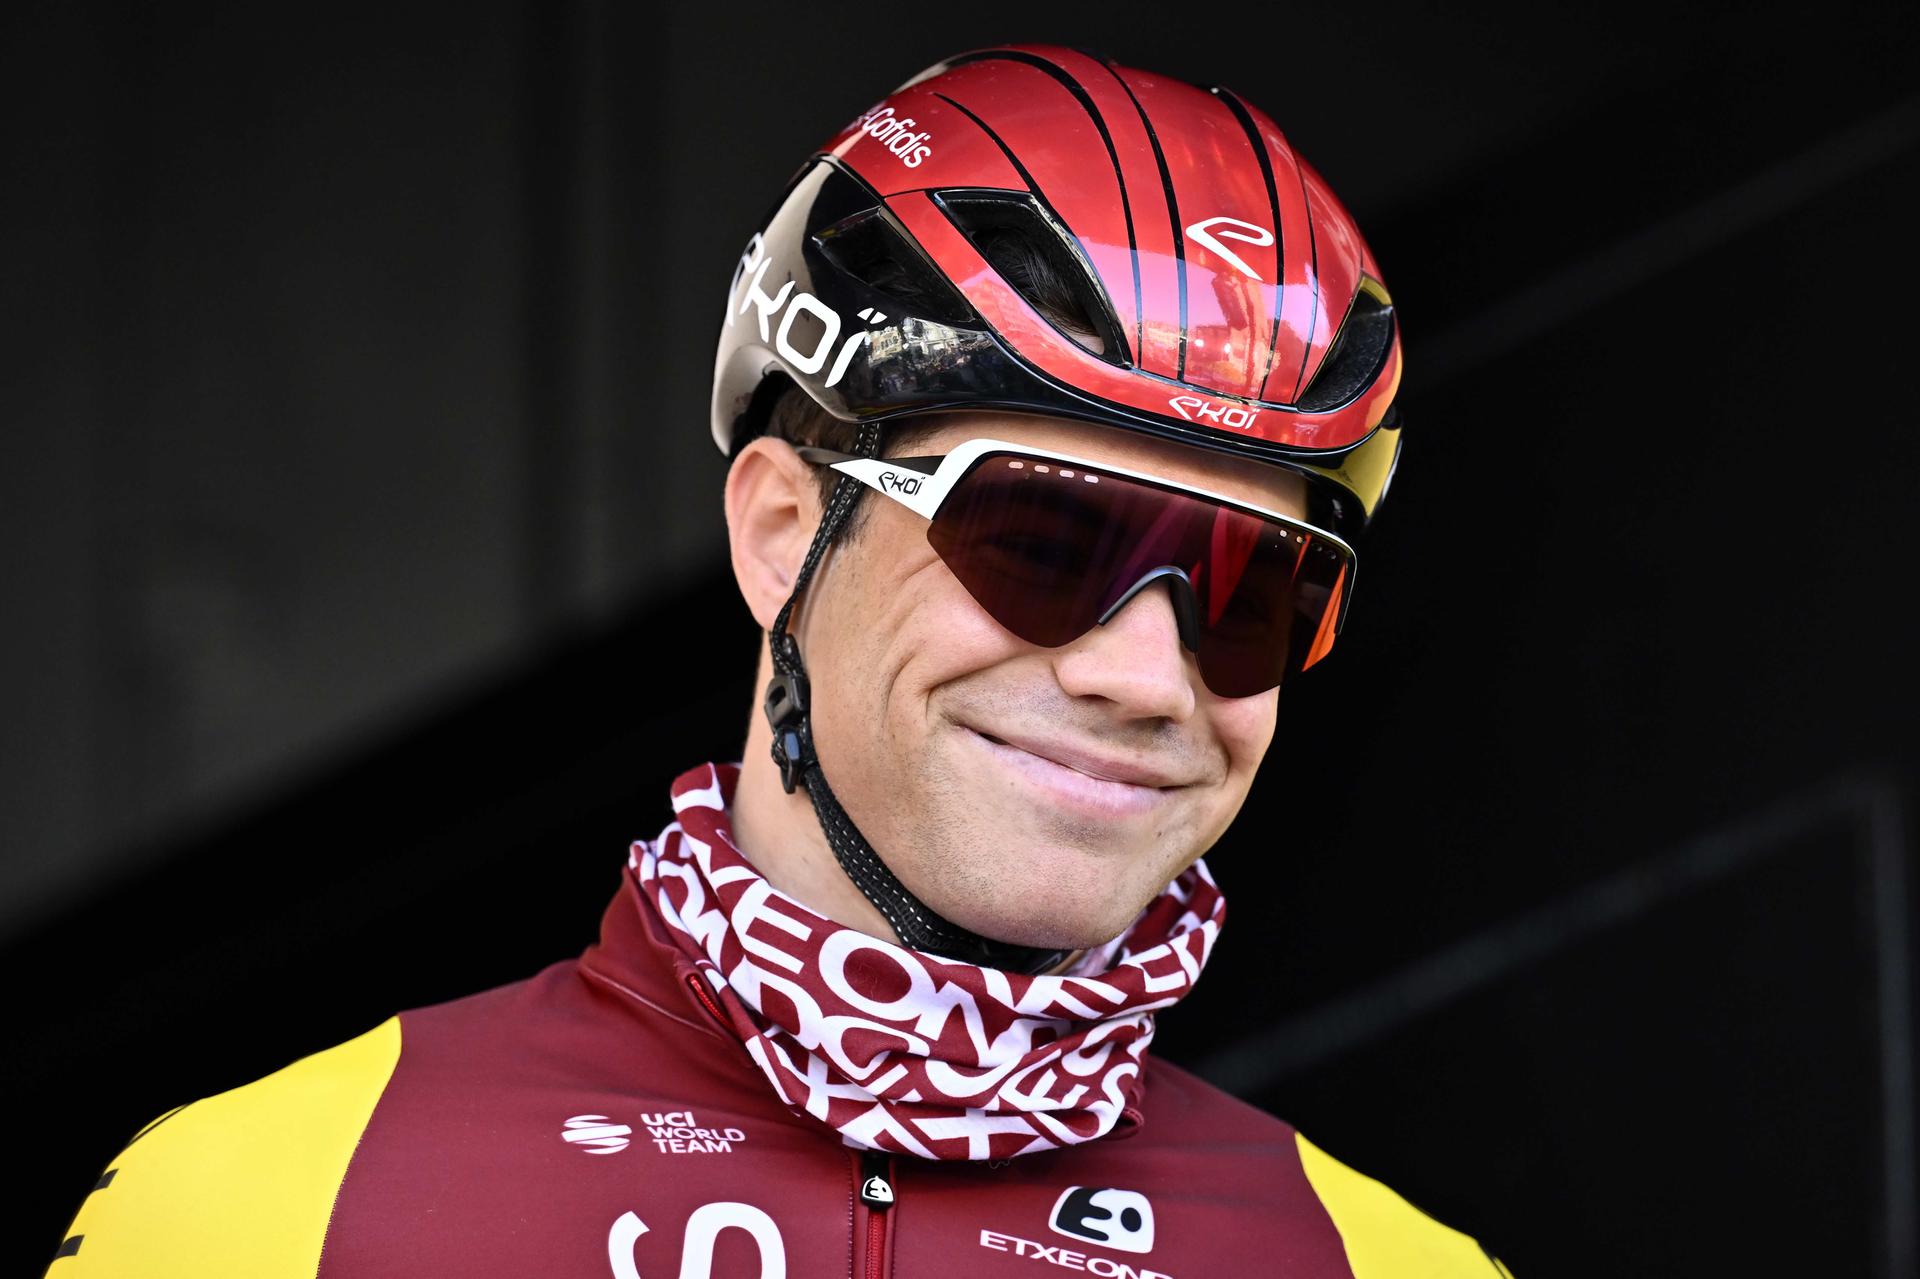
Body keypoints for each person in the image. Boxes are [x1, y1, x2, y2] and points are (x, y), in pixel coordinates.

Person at [45, 43, 1513, 1277]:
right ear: (779, 533)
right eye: (1046, 541)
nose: (1146, 677)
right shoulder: (268, 1217)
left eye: (1257, 590)